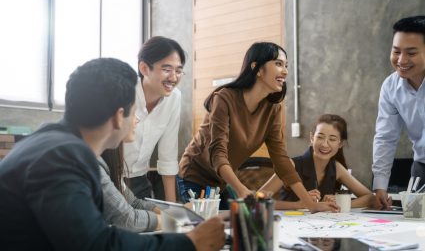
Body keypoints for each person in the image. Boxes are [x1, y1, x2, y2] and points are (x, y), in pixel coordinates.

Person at [0, 58, 225, 251]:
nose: (136, 120)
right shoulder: (62, 157)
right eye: (135, 112)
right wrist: (189, 243)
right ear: (119, 116)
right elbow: (96, 245)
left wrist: (183, 221)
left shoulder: (53, 143)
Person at [177, 42, 339, 213]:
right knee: (213, 228)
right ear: (257, 68)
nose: (285, 71)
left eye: (286, 66)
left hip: (220, 182)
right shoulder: (224, 99)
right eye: (278, 64)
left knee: (236, 226)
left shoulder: (273, 108)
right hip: (194, 175)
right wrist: (242, 190)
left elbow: (281, 161)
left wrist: (310, 203)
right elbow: (218, 154)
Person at [259, 114, 375, 210]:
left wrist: (338, 203)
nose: (325, 144)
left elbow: (369, 197)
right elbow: (258, 200)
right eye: (320, 137)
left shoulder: (336, 168)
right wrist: (298, 204)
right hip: (289, 227)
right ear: (311, 138)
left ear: (340, 144)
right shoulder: (291, 165)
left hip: (321, 230)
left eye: (332, 139)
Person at [372, 15, 425, 210]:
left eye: (411, 53)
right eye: (396, 51)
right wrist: (380, 186)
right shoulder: (390, 86)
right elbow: (386, 137)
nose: (401, 60)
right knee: (415, 223)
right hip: (421, 167)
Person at [124, 36, 185, 202]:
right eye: (167, 69)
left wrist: (173, 208)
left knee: (160, 224)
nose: (173, 77)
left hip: (139, 180)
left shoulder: (174, 98)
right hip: (109, 179)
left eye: (178, 71)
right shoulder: (124, 92)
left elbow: (168, 156)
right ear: (144, 68)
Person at [100, 141, 162, 232]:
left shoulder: (108, 159)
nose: (136, 125)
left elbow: (133, 203)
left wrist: (171, 214)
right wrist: (168, 221)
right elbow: (127, 219)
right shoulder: (94, 165)